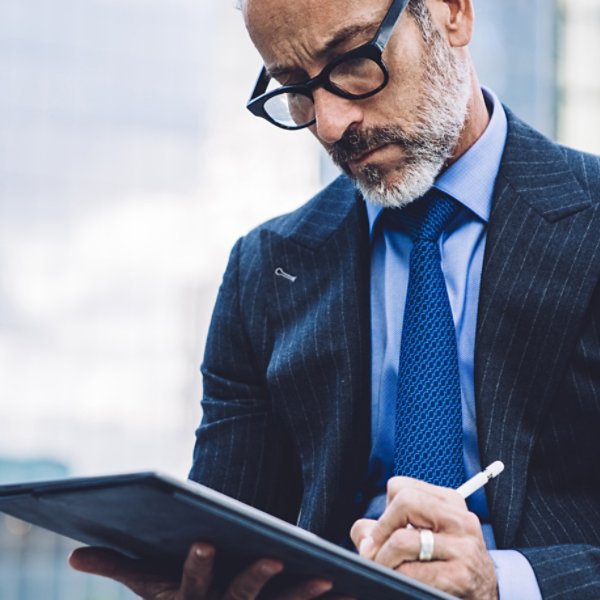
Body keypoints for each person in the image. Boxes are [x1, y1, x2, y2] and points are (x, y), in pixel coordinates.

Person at [69, 0, 600, 598]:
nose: (328, 124)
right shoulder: (264, 270)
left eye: (352, 62)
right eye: (294, 89)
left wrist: (502, 584)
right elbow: (230, 523)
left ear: (453, 14)